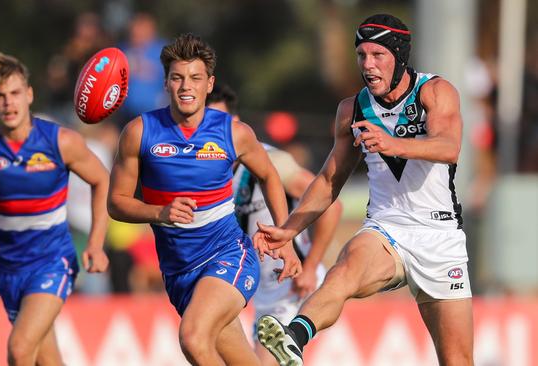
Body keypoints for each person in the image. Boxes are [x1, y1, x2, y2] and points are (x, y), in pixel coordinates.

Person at [254, 14, 473, 366]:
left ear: (399, 57)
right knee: (347, 267)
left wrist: (392, 144)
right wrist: (288, 229)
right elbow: (328, 181)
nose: (367, 65)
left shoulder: (435, 91)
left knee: (457, 360)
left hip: (440, 235)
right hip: (387, 229)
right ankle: (293, 338)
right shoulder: (351, 110)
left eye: (378, 55)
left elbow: (449, 146)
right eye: (361, 56)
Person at [107, 33, 302, 365]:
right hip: (179, 270)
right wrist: (159, 212)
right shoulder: (139, 133)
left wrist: (284, 236)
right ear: (166, 83)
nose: (186, 86)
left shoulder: (234, 132)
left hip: (228, 254)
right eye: (177, 78)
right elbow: (117, 203)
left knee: (193, 338)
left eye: (195, 78)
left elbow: (270, 176)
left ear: (209, 84)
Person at [0, 50, 110, 365]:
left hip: (53, 259)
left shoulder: (60, 141)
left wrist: (97, 242)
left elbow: (102, 180)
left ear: (29, 94)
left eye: (15, 93)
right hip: (7, 267)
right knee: (46, 359)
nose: (8, 103)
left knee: (20, 350)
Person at [206, 83, 343, 365]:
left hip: (291, 285)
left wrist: (309, 267)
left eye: (219, 121)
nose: (212, 130)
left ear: (236, 123)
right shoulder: (203, 167)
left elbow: (332, 205)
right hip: (260, 290)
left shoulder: (270, 162)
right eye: (205, 122)